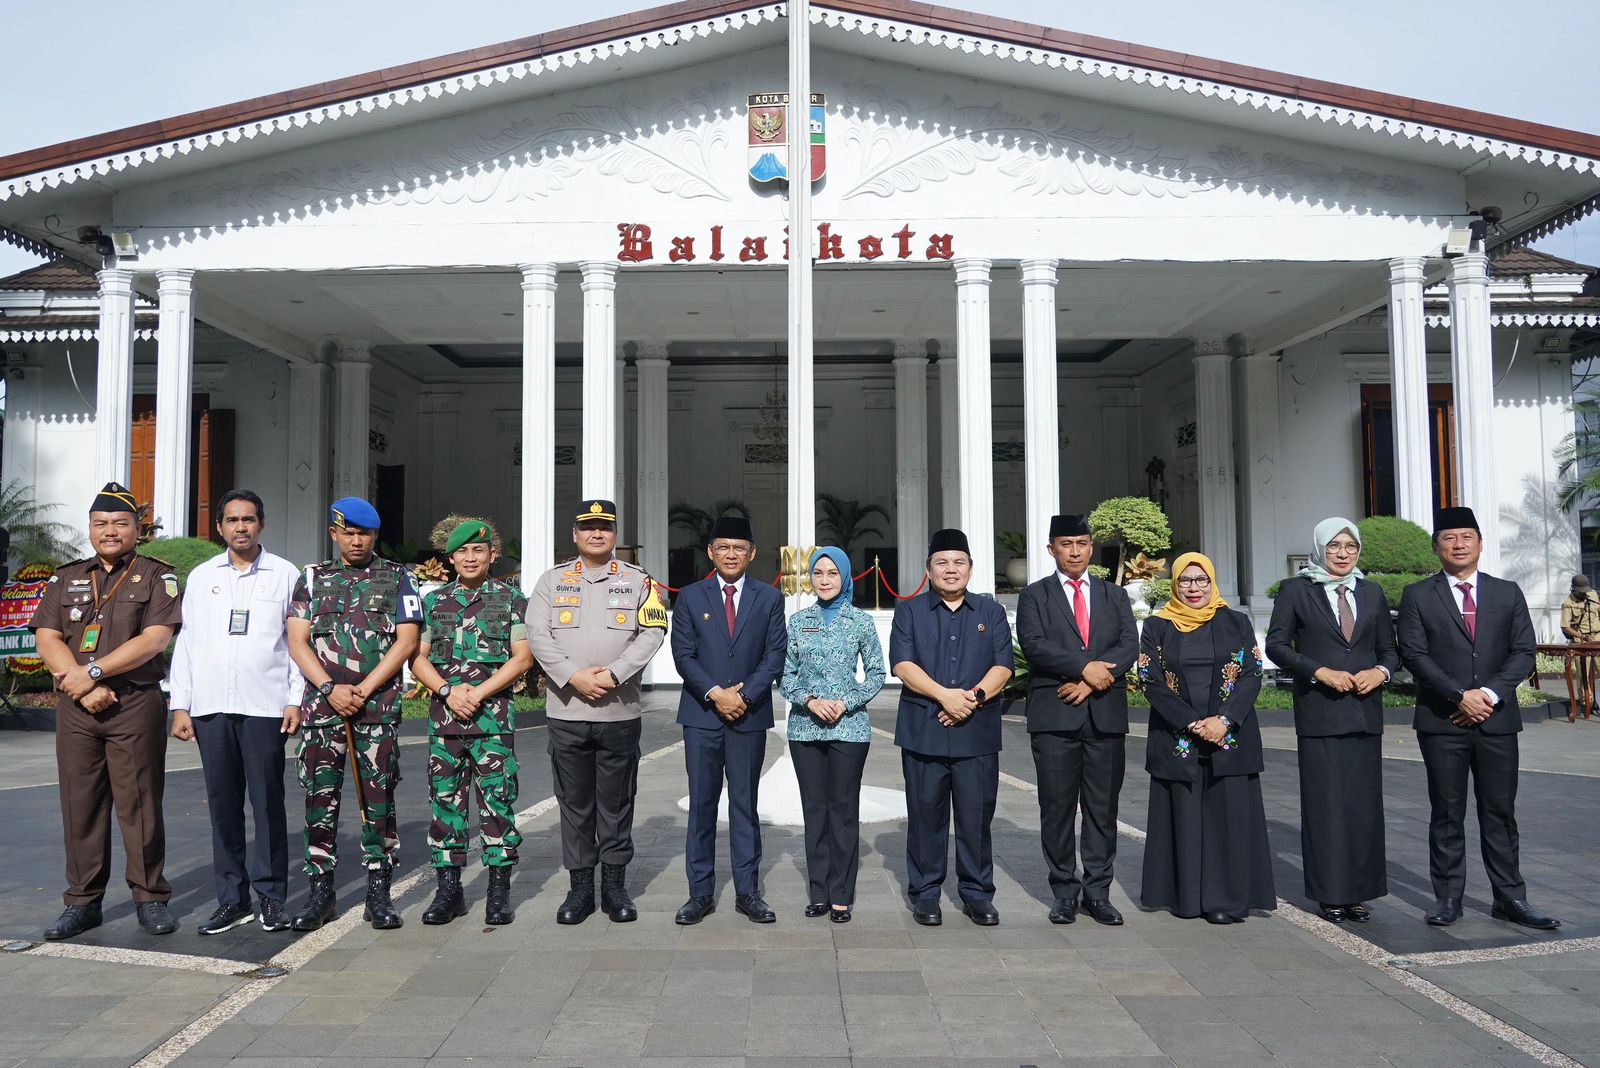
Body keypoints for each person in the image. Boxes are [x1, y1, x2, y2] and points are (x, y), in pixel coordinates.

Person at [29, 482, 183, 940]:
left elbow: (155, 639)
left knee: (140, 805)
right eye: (100, 524)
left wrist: (91, 673)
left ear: (138, 529)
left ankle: (150, 898)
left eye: (120, 523)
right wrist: (80, 686)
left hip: (133, 703)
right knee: (80, 804)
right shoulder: (67, 577)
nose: (109, 531)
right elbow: (48, 637)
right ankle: (82, 902)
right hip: (77, 707)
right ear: (90, 529)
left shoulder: (157, 576)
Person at [1397, 506, 1559, 930]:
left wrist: (1486, 695)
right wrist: (1458, 696)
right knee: (1447, 811)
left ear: (1480, 544)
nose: (1459, 544)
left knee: (1500, 811)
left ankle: (1510, 897)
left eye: (1467, 536)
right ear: (1436, 548)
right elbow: (1413, 653)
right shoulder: (1417, 595)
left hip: (1496, 720)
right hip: (1442, 720)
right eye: (1449, 538)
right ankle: (1448, 897)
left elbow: (1523, 652)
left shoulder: (1507, 592)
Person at [169, 490, 305, 935]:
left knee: (267, 804)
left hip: (265, 707)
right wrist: (180, 705)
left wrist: (295, 698)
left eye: (248, 519)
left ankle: (271, 898)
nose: (240, 527)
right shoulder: (202, 576)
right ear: (220, 527)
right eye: (232, 520)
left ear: (261, 524)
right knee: (223, 807)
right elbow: (188, 644)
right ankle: (232, 899)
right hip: (211, 708)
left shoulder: (285, 575)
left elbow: (297, 644)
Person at [526, 500, 668, 925]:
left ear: (614, 534)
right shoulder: (551, 581)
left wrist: (614, 673)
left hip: (618, 712)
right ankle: (580, 890)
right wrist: (574, 677)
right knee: (574, 805)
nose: (596, 534)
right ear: (575, 534)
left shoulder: (639, 581)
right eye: (588, 527)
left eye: (604, 527)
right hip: (567, 711)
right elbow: (537, 634)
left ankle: (615, 888)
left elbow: (653, 631)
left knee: (617, 803)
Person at [285, 497, 422, 932]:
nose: (357, 540)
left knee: (378, 800)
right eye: (349, 533)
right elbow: (297, 641)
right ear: (334, 534)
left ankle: (378, 894)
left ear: (375, 535)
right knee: (319, 801)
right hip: (323, 710)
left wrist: (363, 689)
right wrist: (330, 688)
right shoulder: (312, 578)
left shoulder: (399, 577)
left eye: (364, 533)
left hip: (376, 710)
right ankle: (320, 894)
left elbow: (406, 642)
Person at [1265, 518, 1397, 923]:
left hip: (1364, 713)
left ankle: (1359, 891)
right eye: (1335, 546)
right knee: (1325, 807)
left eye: (1350, 546)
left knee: (1363, 808)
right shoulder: (1296, 590)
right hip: (1320, 712)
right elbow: (1276, 645)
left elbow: (1390, 650)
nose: (1343, 553)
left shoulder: (1371, 592)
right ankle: (1330, 893)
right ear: (1320, 548)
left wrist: (1381, 672)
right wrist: (1318, 671)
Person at [1138, 552, 1275, 924]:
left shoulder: (1236, 622)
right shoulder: (1157, 625)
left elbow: (1252, 673)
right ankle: (1185, 898)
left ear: (1212, 582)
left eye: (1201, 580)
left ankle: (1224, 901)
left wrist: (1225, 720)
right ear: (1174, 584)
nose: (1193, 588)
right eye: (1185, 580)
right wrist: (1193, 723)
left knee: (1227, 817)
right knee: (1184, 816)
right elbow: (1150, 680)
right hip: (1179, 736)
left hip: (1229, 735)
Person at [1015, 514, 1138, 926]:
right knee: (1057, 808)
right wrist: (1085, 668)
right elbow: (1034, 645)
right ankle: (1064, 892)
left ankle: (1098, 893)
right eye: (1066, 544)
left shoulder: (1114, 595)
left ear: (1091, 547)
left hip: (1104, 717)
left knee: (1102, 809)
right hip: (1055, 718)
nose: (1074, 552)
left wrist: (1089, 681)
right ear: (1051, 549)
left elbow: (1129, 644)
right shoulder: (1034, 596)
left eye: (1082, 543)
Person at [411, 517, 534, 926]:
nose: (469, 557)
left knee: (498, 805)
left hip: (492, 723)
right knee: (445, 806)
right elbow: (417, 658)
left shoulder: (512, 599)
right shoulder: (433, 602)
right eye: (461, 551)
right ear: (450, 559)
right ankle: (449, 892)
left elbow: (522, 658)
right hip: (445, 723)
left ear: (492, 555)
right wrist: (448, 692)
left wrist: (477, 694)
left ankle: (499, 892)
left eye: (478, 550)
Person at [889, 528, 1013, 927]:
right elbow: (902, 665)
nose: (951, 569)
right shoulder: (909, 612)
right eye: (942, 562)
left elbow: (1003, 667)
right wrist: (945, 696)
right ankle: (926, 893)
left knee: (976, 817)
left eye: (959, 562)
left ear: (971, 569)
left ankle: (977, 893)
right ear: (928, 569)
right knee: (925, 815)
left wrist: (971, 699)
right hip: (924, 730)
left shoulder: (991, 612)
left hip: (976, 733)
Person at [670, 514, 787, 925]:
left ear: (752, 553)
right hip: (702, 716)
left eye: (739, 548)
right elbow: (683, 654)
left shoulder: (768, 598)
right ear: (711, 552)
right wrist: (716, 694)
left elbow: (775, 654)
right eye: (723, 547)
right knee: (702, 805)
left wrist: (745, 695)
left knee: (744, 804)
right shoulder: (690, 597)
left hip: (748, 718)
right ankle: (699, 894)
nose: (731, 554)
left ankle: (748, 892)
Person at [777, 546, 886, 923]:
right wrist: (809, 701)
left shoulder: (861, 622)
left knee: (842, 811)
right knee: (815, 811)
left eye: (832, 573)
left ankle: (841, 894)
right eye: (818, 573)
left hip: (849, 729)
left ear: (845, 576)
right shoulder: (798, 621)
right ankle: (819, 892)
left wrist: (844, 702)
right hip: (805, 729)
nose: (824, 580)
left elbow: (877, 673)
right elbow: (784, 674)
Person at [1559, 574, 1600, 715]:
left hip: (1598, 636)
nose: (1584, 593)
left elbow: (1598, 611)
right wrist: (1582, 636)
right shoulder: (1568, 603)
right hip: (1581, 640)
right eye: (1581, 591)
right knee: (1583, 674)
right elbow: (1565, 627)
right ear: (1573, 588)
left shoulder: (1592, 594)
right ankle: (1586, 702)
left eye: (1586, 590)